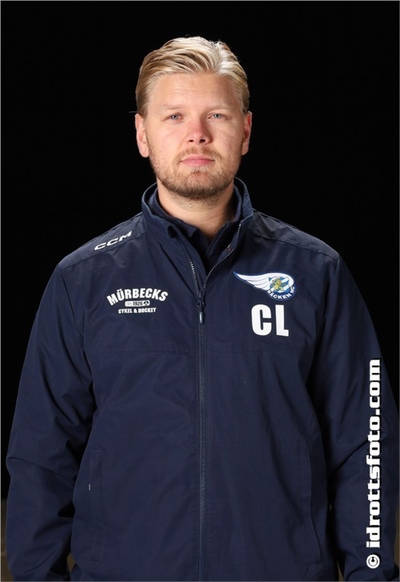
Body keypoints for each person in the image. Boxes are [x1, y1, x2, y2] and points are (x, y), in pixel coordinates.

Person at [5, 35, 399, 582]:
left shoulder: (317, 273)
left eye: (217, 114)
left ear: (246, 131)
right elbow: (39, 457)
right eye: (174, 116)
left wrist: (371, 573)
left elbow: (366, 442)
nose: (197, 133)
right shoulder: (82, 281)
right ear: (142, 134)